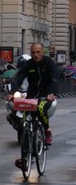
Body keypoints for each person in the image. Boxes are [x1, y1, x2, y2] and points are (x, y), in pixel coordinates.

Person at [10, 42, 59, 170]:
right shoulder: (29, 64)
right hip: (31, 97)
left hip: (45, 96)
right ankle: (25, 158)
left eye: (38, 52)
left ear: (42, 52)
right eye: (33, 52)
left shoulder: (49, 63)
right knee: (25, 122)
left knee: (41, 109)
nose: (36, 55)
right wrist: (11, 93)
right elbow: (19, 77)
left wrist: (51, 93)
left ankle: (47, 131)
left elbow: (55, 79)